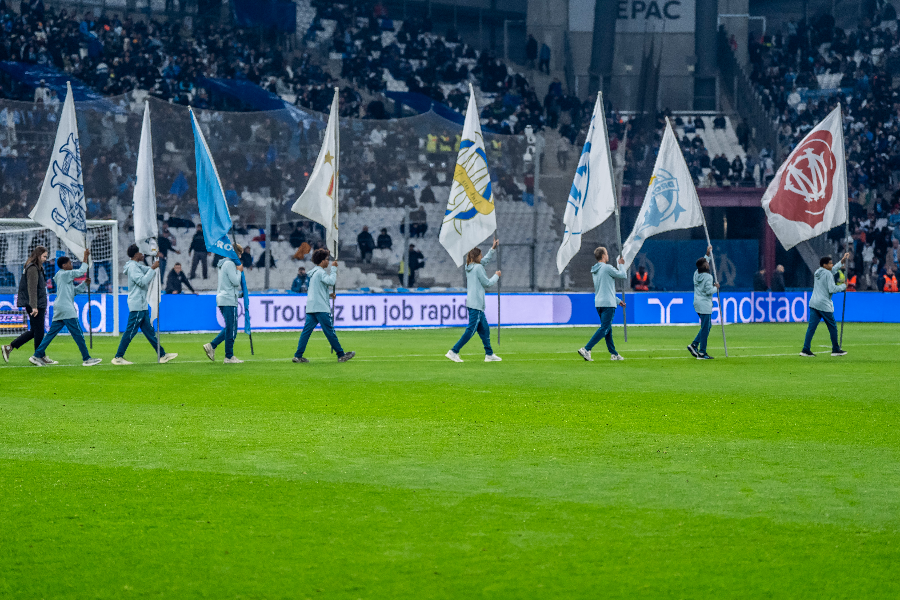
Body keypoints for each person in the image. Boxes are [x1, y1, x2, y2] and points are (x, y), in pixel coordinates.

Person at [29, 250, 102, 367]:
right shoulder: (65, 274)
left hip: (60, 308)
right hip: (67, 309)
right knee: (78, 335)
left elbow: (74, 292)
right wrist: (85, 256)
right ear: (64, 266)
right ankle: (87, 358)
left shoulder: (62, 277)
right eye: (70, 263)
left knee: (50, 334)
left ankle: (36, 355)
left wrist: (84, 284)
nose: (71, 265)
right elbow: (81, 271)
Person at [112, 244, 177, 365]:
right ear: (136, 254)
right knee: (130, 332)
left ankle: (162, 355)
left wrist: (155, 260)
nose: (143, 255)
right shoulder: (132, 267)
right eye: (142, 253)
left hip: (141, 304)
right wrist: (153, 268)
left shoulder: (137, 265)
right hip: (137, 304)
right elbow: (142, 281)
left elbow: (148, 271)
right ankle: (118, 357)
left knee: (150, 333)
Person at [292, 248, 355, 363]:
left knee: (306, 332)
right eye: (327, 259)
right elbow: (331, 281)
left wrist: (329, 295)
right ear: (322, 261)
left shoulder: (313, 273)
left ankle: (298, 355)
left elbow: (317, 291)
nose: (328, 261)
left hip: (312, 307)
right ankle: (341, 354)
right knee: (329, 331)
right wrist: (334, 268)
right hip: (321, 308)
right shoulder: (321, 272)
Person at [446, 239, 501, 363]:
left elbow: (483, 262)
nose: (482, 257)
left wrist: (492, 249)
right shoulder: (478, 268)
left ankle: (489, 354)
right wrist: (496, 275)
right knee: (471, 330)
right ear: (477, 257)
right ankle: (453, 351)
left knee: (485, 329)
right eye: (480, 255)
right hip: (476, 304)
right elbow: (487, 283)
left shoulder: (469, 267)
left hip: (473, 303)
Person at [578, 246, 627, 362]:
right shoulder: (607, 268)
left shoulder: (595, 270)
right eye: (607, 253)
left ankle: (614, 354)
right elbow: (623, 275)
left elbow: (605, 289)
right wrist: (621, 264)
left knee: (607, 330)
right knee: (605, 328)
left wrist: (618, 300)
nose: (608, 255)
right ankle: (586, 349)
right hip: (608, 304)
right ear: (603, 256)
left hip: (599, 303)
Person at [2, 246, 49, 363]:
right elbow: (32, 289)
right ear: (38, 256)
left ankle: (10, 347)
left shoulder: (35, 267)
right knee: (39, 331)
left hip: (38, 303)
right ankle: (38, 356)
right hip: (34, 304)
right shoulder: (33, 269)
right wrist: (34, 306)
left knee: (35, 331)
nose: (45, 259)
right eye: (44, 256)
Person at [801, 253, 849, 357]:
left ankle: (805, 349)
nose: (832, 265)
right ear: (824, 265)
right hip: (824, 304)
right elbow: (832, 289)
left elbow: (833, 270)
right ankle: (836, 349)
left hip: (814, 303)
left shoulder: (818, 272)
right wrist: (843, 286)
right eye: (830, 263)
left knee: (811, 328)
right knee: (832, 327)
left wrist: (842, 261)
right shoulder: (828, 274)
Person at [203, 245, 245, 364]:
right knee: (232, 329)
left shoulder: (223, 264)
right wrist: (239, 271)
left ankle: (213, 346)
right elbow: (235, 282)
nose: (240, 257)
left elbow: (228, 284)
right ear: (235, 253)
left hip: (224, 298)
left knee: (230, 328)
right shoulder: (230, 264)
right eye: (240, 254)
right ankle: (228, 356)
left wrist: (239, 295)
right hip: (228, 300)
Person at [688, 247, 718, 360]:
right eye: (707, 263)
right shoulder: (708, 277)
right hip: (705, 304)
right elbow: (708, 291)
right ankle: (702, 352)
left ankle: (694, 345)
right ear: (705, 266)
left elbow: (703, 263)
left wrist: (707, 254)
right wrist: (716, 288)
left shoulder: (696, 273)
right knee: (705, 328)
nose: (708, 264)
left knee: (707, 326)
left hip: (697, 303)